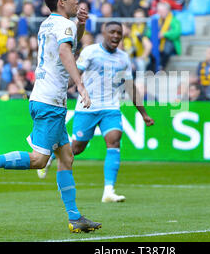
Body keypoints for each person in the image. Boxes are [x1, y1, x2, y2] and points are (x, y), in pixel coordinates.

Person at [0, 0, 102, 234]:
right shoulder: (63, 25)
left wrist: (80, 25)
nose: (76, 2)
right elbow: (65, 51)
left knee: (66, 158)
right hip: (49, 102)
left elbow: (69, 43)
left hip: (44, 98)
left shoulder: (49, 23)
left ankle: (75, 217)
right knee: (39, 160)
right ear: (61, 2)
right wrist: (79, 84)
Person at [38, 21, 155, 203]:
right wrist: (56, 91)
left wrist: (144, 113)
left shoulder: (123, 58)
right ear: (104, 33)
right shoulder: (90, 52)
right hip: (87, 107)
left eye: (119, 33)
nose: (116, 36)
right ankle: (49, 156)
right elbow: (75, 74)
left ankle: (109, 190)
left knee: (114, 140)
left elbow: (130, 87)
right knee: (77, 148)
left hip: (110, 108)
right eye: (112, 32)